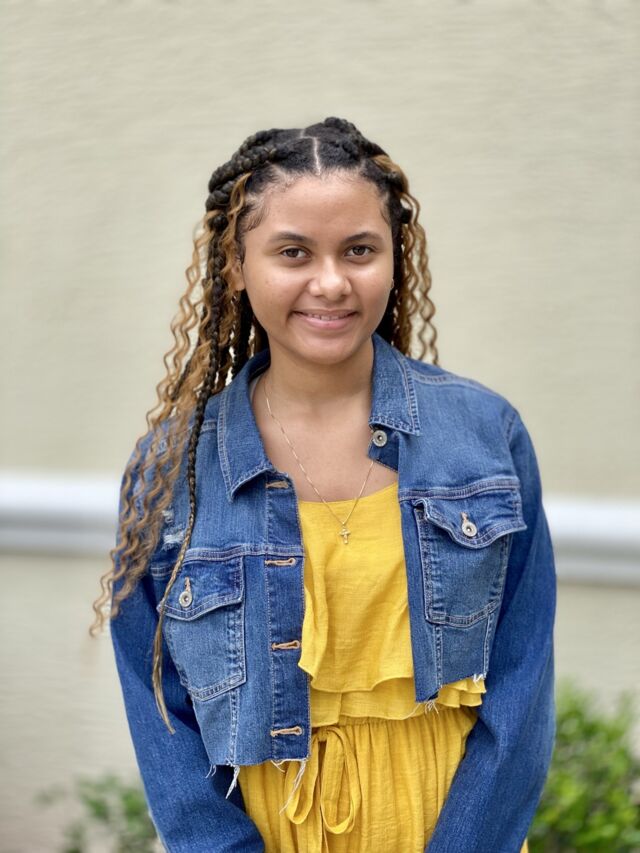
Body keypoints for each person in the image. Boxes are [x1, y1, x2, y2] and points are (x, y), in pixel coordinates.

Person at [91, 117, 556, 852]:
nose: (332, 282)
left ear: (395, 258)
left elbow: (523, 679)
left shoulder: (486, 434)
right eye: (293, 252)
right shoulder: (170, 471)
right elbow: (160, 714)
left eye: (359, 250)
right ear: (236, 265)